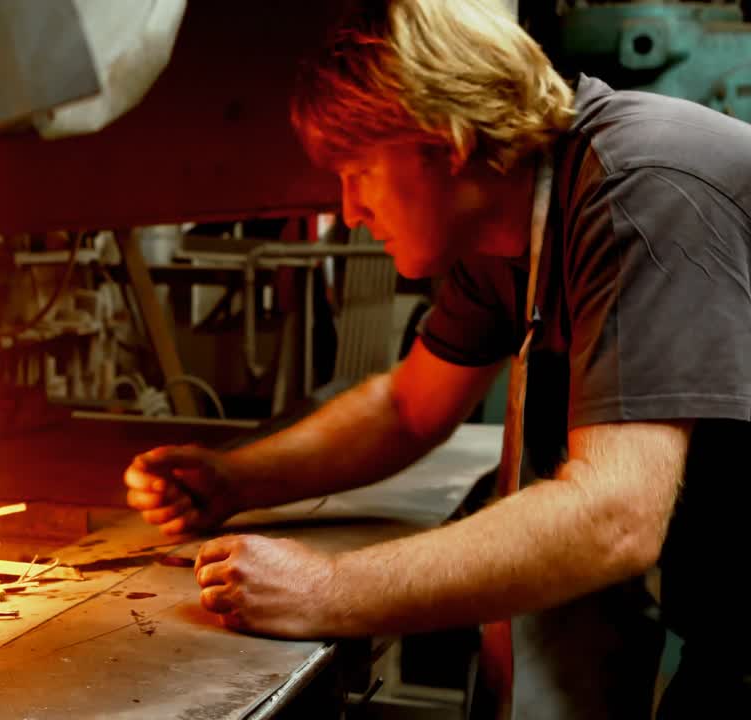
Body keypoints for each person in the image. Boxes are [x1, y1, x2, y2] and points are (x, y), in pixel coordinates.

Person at [123, 0, 751, 717]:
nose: (350, 210)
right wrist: (235, 479)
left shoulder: (637, 190)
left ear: (445, 142)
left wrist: (326, 589)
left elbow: (612, 515)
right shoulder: (511, 222)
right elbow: (408, 408)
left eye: (358, 171)